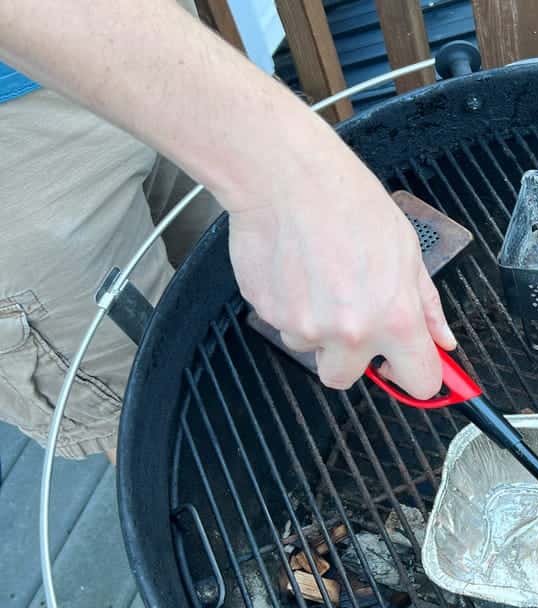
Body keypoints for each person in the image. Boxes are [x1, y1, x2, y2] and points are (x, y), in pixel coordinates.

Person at [0, 0, 453, 461]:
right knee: (145, 409)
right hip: (19, 155)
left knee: (235, 300)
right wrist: (289, 164)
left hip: (153, 35)